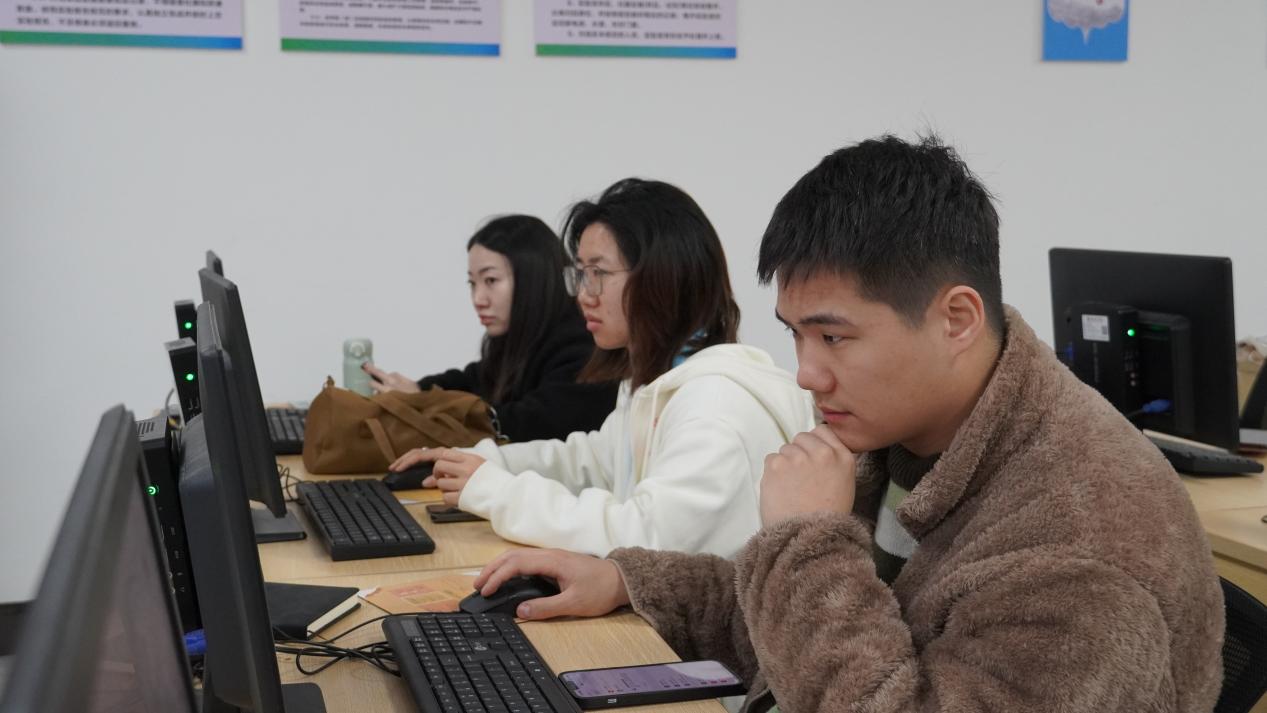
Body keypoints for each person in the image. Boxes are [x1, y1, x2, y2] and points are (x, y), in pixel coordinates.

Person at [469, 137, 1224, 713]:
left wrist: (806, 540)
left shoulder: (1082, 549)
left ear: (956, 319)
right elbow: (784, 618)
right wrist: (628, 582)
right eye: (795, 334)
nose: (806, 373)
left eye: (833, 336)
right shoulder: (906, 432)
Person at [390, 178, 815, 557]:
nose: (583, 295)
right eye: (580, 275)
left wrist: (497, 491)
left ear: (662, 277)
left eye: (598, 273)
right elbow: (591, 460)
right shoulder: (655, 384)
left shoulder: (714, 405)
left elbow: (649, 539)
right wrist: (481, 460)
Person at [364, 215, 617, 442]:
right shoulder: (516, 340)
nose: (478, 299)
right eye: (472, 283)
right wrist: (418, 389)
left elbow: (531, 423)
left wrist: (425, 403)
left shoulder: (582, 343)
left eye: (491, 280)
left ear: (532, 279)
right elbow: (471, 380)